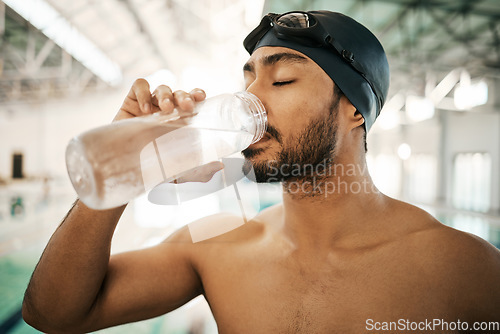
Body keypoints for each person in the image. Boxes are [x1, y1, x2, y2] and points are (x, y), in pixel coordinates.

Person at [23, 10, 500, 333]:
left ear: (354, 109)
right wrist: (123, 165)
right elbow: (53, 314)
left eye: (283, 78)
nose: (252, 98)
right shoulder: (218, 244)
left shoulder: (463, 270)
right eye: (248, 77)